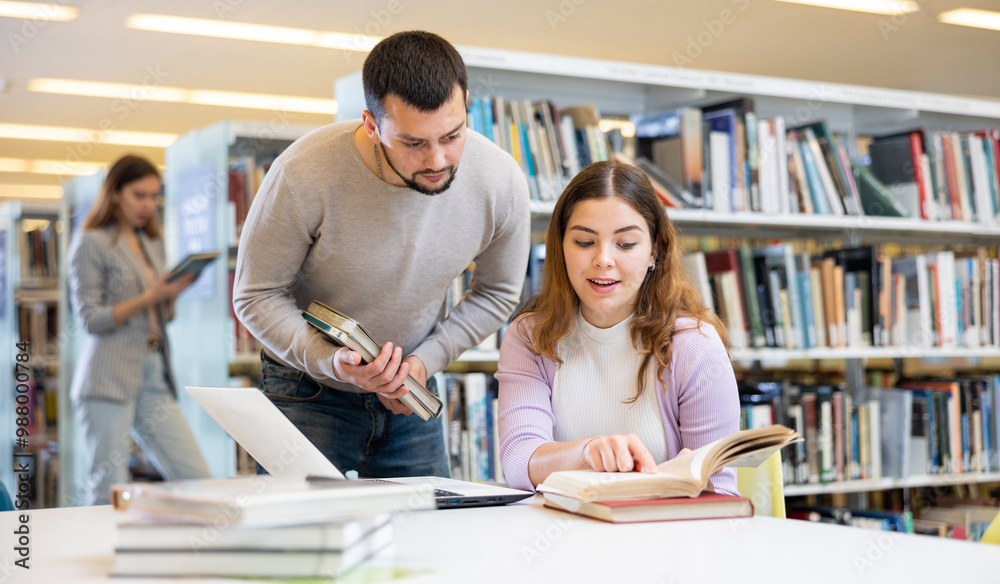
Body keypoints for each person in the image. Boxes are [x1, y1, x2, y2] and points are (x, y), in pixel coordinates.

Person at [232, 31, 530, 478]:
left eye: (452, 135)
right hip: (306, 387)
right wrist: (329, 360)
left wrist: (426, 361)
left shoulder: (500, 182)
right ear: (371, 124)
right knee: (299, 541)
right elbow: (255, 296)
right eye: (413, 143)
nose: (437, 160)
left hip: (410, 391)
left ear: (466, 104)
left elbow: (497, 293)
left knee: (424, 536)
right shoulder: (301, 175)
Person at [496, 160, 740, 495]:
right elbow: (519, 462)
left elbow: (721, 493)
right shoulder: (529, 337)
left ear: (654, 250)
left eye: (625, 244)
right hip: (561, 536)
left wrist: (692, 485)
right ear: (561, 248)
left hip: (663, 538)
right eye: (584, 242)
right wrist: (588, 453)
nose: (603, 260)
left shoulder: (693, 345)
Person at [67, 154, 211, 506]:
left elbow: (162, 317)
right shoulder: (91, 243)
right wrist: (151, 296)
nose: (149, 204)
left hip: (153, 373)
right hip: (108, 377)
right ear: (115, 194)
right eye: (139, 195)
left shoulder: (151, 243)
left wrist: (170, 296)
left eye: (154, 196)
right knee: (108, 487)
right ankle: (103, 559)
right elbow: (90, 319)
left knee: (197, 478)